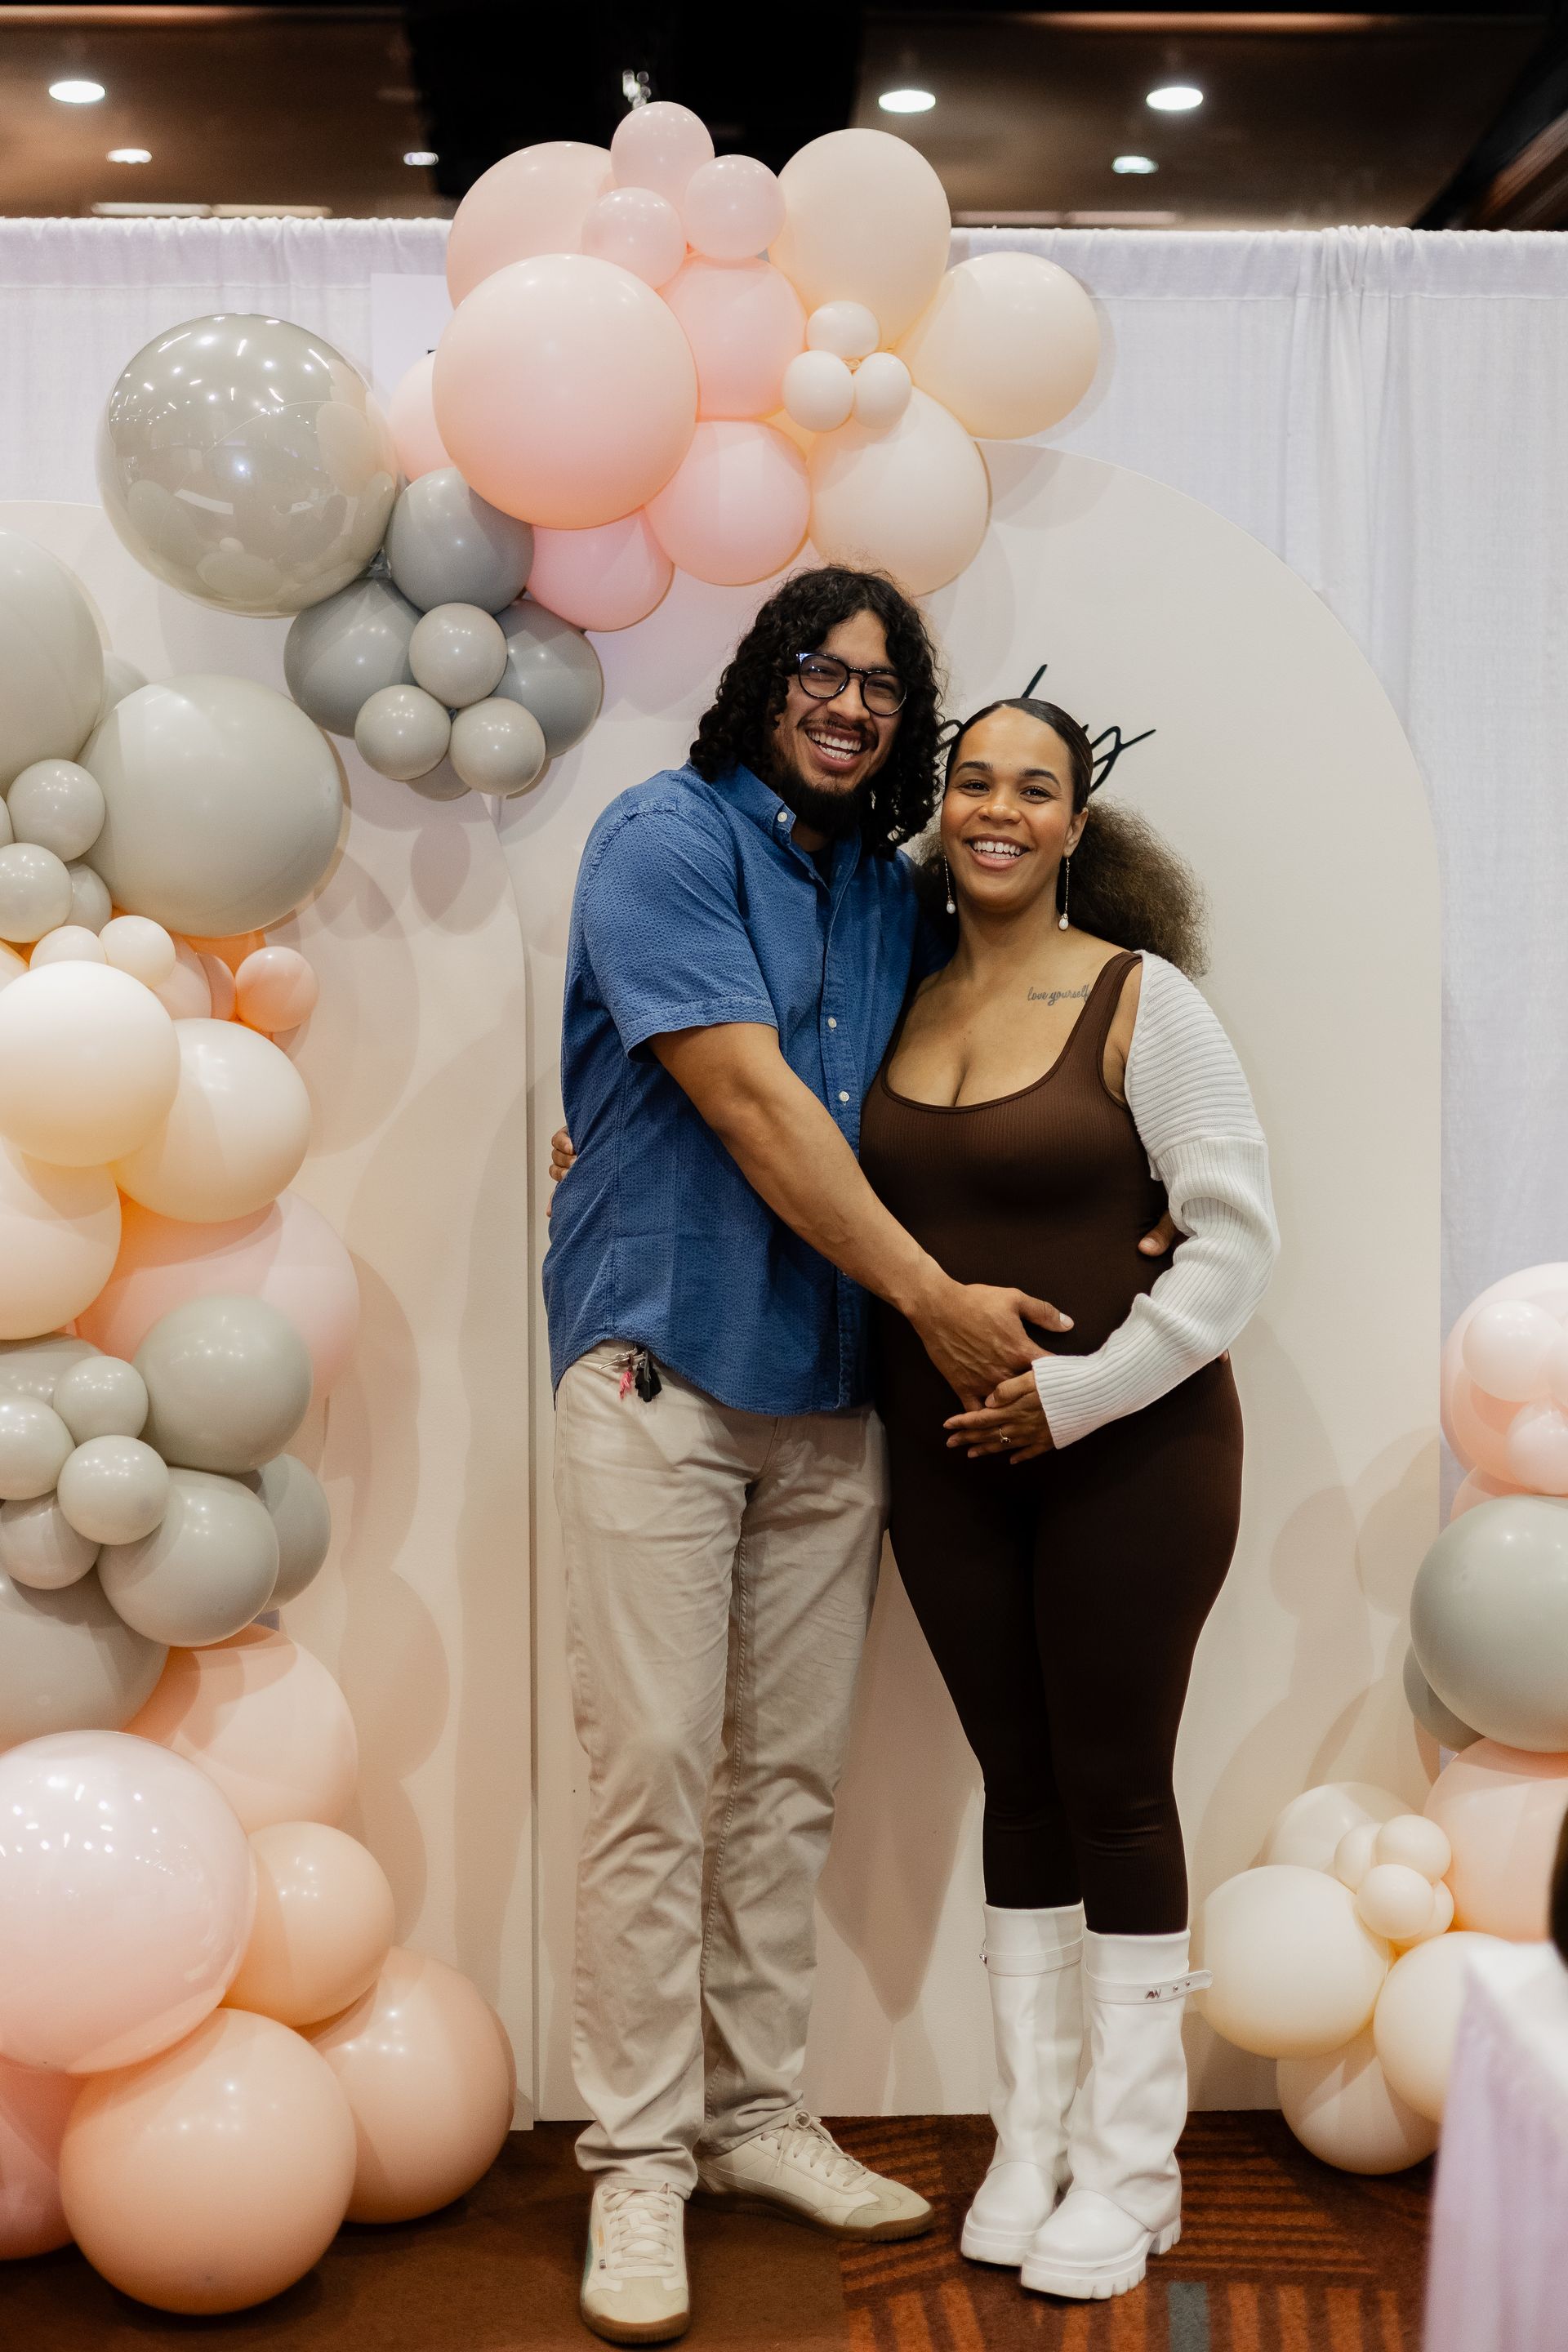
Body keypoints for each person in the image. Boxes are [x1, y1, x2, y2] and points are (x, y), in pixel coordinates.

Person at [543, 568, 1177, 2346]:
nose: (849, 704)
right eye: (820, 671)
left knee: (792, 1783)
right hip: (662, 1370)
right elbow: (746, 1103)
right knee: (656, 1773)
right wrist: (941, 1301)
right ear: (764, 682)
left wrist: (1143, 1218)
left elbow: (1008, 1047)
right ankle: (644, 2162)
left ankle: (753, 2115)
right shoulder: (662, 839)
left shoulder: (891, 899)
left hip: (829, 1397)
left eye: (882, 687)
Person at [858, 695, 1278, 2303]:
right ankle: (1032, 2144)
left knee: (1113, 1789)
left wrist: (1080, 1394)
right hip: (944, 1456)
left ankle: (1133, 2168)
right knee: (1016, 1784)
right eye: (975, 781)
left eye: (1037, 789)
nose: (1001, 810)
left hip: (1135, 1453)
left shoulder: (1139, 998)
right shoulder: (889, 997)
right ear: (940, 805)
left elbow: (1235, 1239)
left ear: (1076, 827)